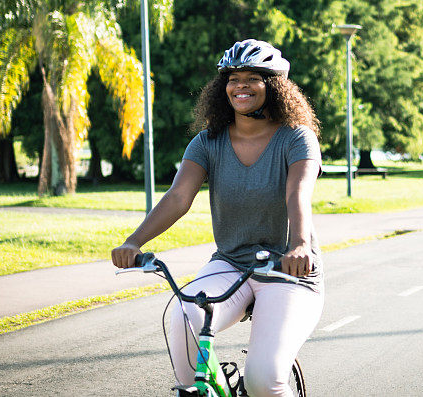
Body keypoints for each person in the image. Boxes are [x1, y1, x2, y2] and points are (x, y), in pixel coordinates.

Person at [111, 39, 324, 397]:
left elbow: (297, 193)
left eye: (253, 77)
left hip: (288, 269)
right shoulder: (208, 142)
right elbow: (179, 197)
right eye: (232, 78)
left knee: (264, 380)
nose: (240, 85)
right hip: (231, 263)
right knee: (182, 316)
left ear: (274, 86)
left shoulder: (296, 138)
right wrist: (135, 242)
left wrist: (300, 245)